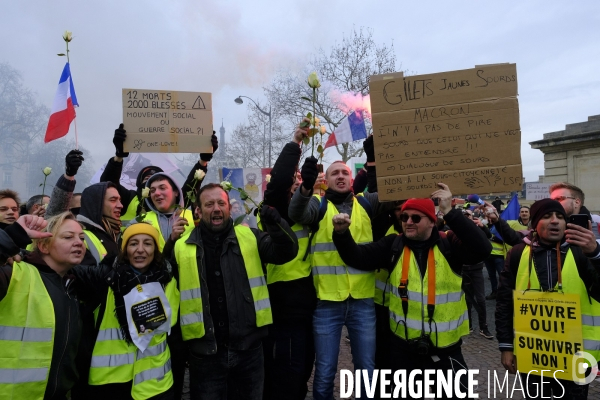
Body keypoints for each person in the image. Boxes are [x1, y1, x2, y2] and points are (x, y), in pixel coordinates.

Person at [331, 183, 491, 397]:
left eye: (416, 218)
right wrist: (341, 234)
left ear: (432, 221)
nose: (408, 222)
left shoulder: (448, 244)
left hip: (446, 351)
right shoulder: (393, 245)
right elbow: (358, 257)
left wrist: (450, 212)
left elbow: (483, 248)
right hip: (403, 351)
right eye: (405, 216)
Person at [171, 183, 297, 400]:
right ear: (198, 211)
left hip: (248, 350)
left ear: (229, 207)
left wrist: (275, 224)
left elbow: (287, 251)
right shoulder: (181, 246)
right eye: (209, 204)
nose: (216, 208)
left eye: (221, 203)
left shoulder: (250, 237)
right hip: (205, 355)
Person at [288, 146, 394, 400]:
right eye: (335, 173)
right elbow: (296, 213)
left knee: (367, 371)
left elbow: (396, 192)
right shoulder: (319, 206)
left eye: (345, 172)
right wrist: (306, 188)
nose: (341, 177)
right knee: (325, 372)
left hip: (362, 301)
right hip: (327, 303)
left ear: (351, 178)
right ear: (328, 180)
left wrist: (376, 158)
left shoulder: (367, 204)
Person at [495, 198, 600, 399]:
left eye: (560, 217)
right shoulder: (518, 254)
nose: (555, 221)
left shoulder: (581, 251)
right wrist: (506, 346)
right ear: (535, 223)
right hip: (532, 356)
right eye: (547, 216)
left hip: (576, 359)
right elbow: (504, 303)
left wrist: (595, 254)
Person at [72, 222, 180, 400]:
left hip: (155, 383)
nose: (140, 249)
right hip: (111, 381)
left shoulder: (167, 280)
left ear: (155, 249)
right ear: (124, 249)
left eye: (147, 243)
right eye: (133, 243)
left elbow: (170, 323)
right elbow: (61, 267)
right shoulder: (106, 278)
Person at [261, 122, 317, 400]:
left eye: (300, 184)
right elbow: (279, 181)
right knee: (285, 371)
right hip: (282, 304)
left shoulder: (311, 212)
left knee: (303, 367)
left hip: (307, 306)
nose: (294, 187)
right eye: (292, 185)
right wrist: (295, 144)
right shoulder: (274, 211)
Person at [0, 212, 83, 399]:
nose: (79, 242)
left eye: (81, 237)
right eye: (68, 237)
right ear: (44, 245)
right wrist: (9, 238)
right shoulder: (13, 273)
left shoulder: (70, 285)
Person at [101, 123, 218, 227]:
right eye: (147, 181)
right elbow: (108, 185)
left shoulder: (175, 205)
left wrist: (203, 161)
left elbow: (191, 187)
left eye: (162, 186)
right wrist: (119, 156)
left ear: (174, 192)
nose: (157, 192)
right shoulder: (128, 199)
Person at [141, 172, 195, 254]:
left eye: (162, 188)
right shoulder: (140, 221)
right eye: (152, 190)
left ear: (176, 192)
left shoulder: (195, 217)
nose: (157, 193)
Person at [461, 209, 494, 339]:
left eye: (468, 215)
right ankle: (468, 325)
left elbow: (489, 236)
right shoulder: (456, 230)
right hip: (463, 269)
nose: (466, 217)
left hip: (476, 268)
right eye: (463, 216)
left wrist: (482, 226)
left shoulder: (478, 229)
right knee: (467, 299)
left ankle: (483, 327)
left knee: (480, 299)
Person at [77, 182, 123, 266]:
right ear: (96, 204)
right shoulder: (79, 235)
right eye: (113, 200)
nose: (121, 205)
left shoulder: (118, 233)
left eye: (120, 200)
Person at [45, 149, 85, 218]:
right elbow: (55, 213)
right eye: (77, 210)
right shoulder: (59, 224)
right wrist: (69, 173)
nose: (80, 216)